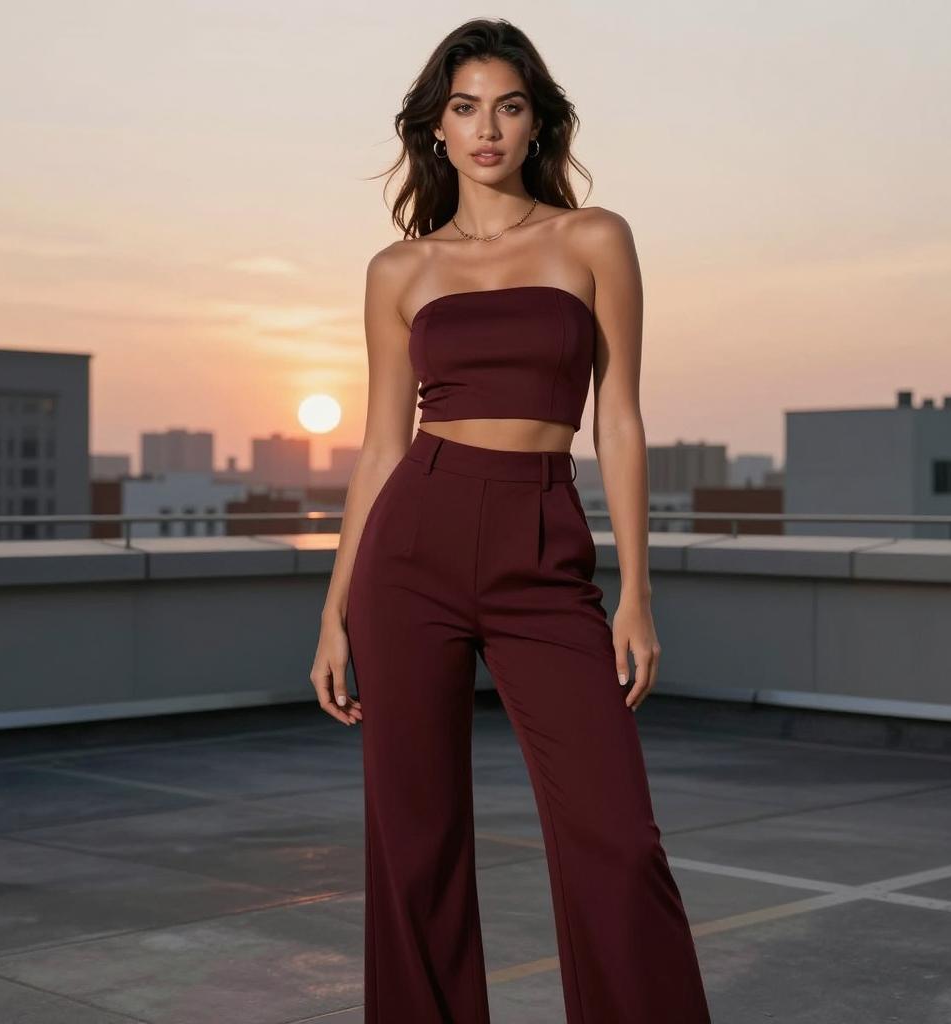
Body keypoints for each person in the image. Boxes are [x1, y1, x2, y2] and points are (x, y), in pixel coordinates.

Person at [310, 17, 712, 1024]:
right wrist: (334, 610)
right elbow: (377, 445)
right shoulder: (397, 271)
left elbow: (617, 418)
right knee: (415, 839)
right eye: (463, 107)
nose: (486, 128)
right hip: (412, 545)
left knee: (615, 837)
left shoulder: (591, 238)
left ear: (537, 124)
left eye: (508, 105)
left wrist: (636, 592)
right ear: (434, 130)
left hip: (544, 540)